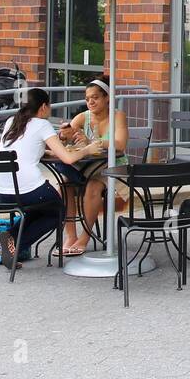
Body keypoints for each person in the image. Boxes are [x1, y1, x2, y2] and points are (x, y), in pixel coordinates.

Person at [0, 88, 96, 270]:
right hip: (28, 188)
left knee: (40, 209)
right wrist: (88, 149)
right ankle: (14, 241)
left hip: (4, 191)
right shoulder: (42, 124)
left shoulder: (11, 122)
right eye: (49, 106)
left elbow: (26, 149)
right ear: (42, 107)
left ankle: (9, 239)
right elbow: (69, 159)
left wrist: (49, 150)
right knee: (57, 210)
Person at [56, 77, 128, 256]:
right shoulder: (83, 117)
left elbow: (120, 144)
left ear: (107, 98)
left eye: (95, 97)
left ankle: (84, 238)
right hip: (87, 167)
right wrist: (64, 135)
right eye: (87, 99)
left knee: (93, 186)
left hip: (113, 167)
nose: (90, 102)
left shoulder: (117, 116)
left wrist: (93, 142)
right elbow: (67, 134)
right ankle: (71, 236)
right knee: (64, 185)